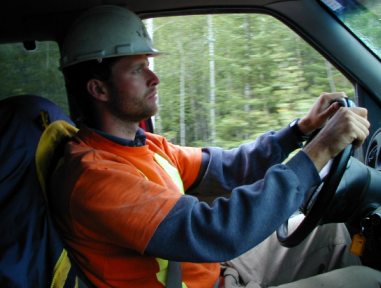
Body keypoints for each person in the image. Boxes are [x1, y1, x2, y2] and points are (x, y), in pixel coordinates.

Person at [47, 5, 381, 288]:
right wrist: (320, 151)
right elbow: (215, 231)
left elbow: (224, 167)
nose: (154, 78)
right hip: (213, 268)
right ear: (99, 90)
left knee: (337, 230)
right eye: (137, 69)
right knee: (366, 281)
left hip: (220, 269)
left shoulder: (143, 144)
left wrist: (299, 131)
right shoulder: (94, 178)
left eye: (148, 64)